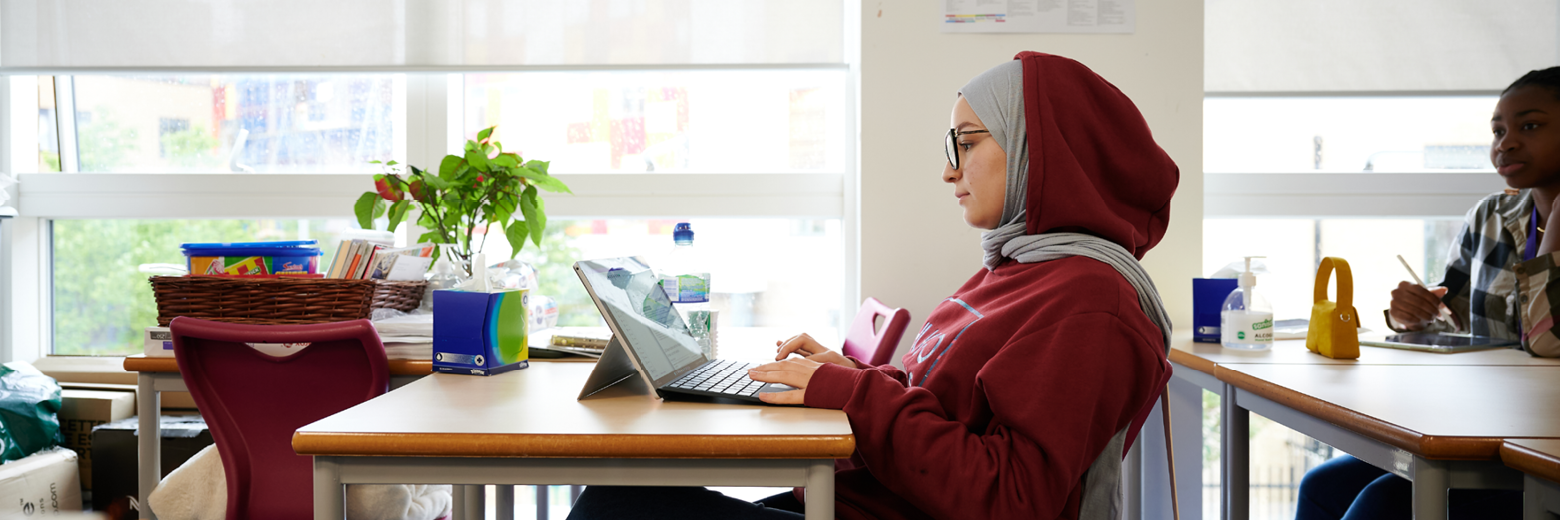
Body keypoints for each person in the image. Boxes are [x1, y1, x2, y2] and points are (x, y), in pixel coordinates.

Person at [566, 52, 1180, 520]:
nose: (948, 170)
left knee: (613, 506)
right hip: (864, 501)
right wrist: (849, 377)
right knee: (622, 495)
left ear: (1040, 152)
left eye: (966, 145)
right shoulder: (1018, 271)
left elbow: (1012, 498)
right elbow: (939, 403)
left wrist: (854, 395)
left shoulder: (1092, 305)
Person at [1293, 67, 1560, 520]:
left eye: (1529, 126)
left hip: (1543, 454)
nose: (1506, 142)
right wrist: (1410, 315)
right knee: (1322, 487)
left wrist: (1554, 235)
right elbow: (1450, 315)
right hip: (1481, 433)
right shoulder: (1491, 215)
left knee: (1382, 506)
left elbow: (1546, 340)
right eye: (1498, 130)